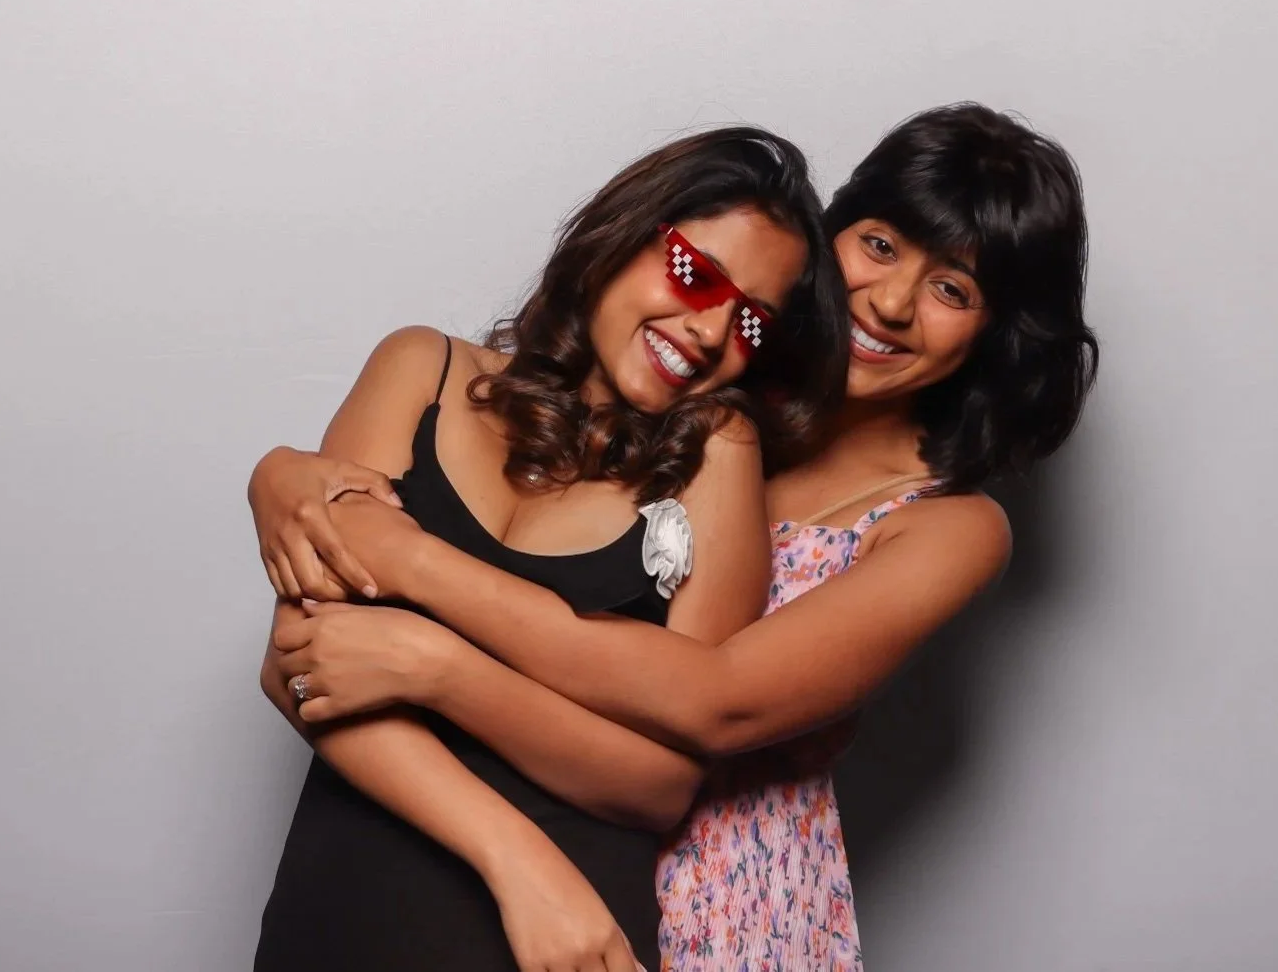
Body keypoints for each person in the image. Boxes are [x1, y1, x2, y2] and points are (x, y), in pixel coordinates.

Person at [253, 103, 1097, 970]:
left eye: (952, 290)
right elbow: (308, 656)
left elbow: (715, 701)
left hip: (727, 892)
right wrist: (279, 474)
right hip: (458, 848)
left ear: (998, 335)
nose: (889, 302)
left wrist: (412, 578)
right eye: (878, 245)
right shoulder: (687, 403)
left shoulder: (931, 521)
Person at [249, 125, 851, 972]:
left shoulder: (717, 453)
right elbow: (302, 665)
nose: (713, 329)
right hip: (347, 911)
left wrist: (438, 668)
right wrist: (516, 860)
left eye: (750, 319)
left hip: (563, 945)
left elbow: (658, 785)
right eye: (695, 273)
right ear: (625, 233)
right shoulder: (421, 370)